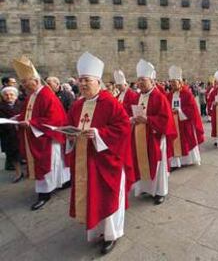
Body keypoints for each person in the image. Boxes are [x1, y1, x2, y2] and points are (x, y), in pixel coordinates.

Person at [66, 52, 134, 255]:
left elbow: (122, 128)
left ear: (98, 81)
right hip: (86, 161)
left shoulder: (111, 103)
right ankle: (96, 232)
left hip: (107, 161)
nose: (83, 84)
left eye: (87, 80)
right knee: (93, 198)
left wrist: (97, 134)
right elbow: (69, 126)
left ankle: (112, 235)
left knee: (109, 197)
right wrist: (69, 136)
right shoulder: (77, 105)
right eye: (81, 80)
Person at [13, 56, 70, 211]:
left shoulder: (46, 95)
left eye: (25, 82)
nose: (23, 85)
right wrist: (17, 118)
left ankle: (44, 194)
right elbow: (28, 113)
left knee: (50, 164)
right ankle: (63, 183)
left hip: (48, 139)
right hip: (37, 136)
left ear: (35, 81)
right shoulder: (32, 95)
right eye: (22, 82)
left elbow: (54, 119)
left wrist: (31, 123)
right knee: (53, 166)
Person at [130, 59, 177, 205]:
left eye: (143, 80)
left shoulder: (159, 97)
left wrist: (148, 120)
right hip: (140, 135)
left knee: (158, 165)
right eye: (138, 80)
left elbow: (165, 119)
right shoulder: (139, 96)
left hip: (155, 137)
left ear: (151, 80)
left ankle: (159, 192)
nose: (140, 83)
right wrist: (133, 119)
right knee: (142, 162)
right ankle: (145, 188)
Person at [166, 66, 204, 168]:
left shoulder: (187, 93)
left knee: (186, 141)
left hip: (184, 123)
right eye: (171, 83)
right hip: (174, 123)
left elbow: (192, 109)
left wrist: (179, 111)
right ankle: (175, 162)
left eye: (175, 83)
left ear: (180, 82)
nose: (173, 85)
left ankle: (187, 160)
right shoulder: (169, 95)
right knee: (174, 141)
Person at [0, 87, 24, 180]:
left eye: (11, 94)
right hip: (7, 133)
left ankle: (30, 171)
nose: (9, 96)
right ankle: (18, 173)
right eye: (6, 95)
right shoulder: (1, 107)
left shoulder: (22, 104)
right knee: (12, 155)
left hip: (21, 131)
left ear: (16, 96)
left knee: (24, 152)